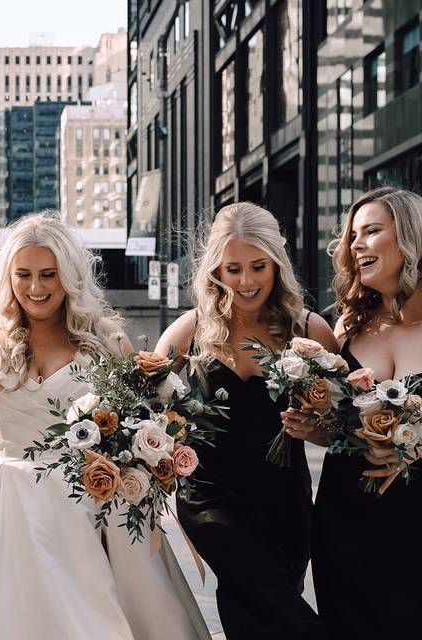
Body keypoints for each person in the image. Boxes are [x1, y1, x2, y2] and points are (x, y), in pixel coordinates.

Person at [0, 212, 208, 640]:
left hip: (89, 510)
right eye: (23, 275)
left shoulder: (105, 338)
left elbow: (142, 424)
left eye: (48, 275)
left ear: (69, 277)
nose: (36, 288)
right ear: (7, 276)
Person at [156, 203, 334, 639]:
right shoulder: (189, 330)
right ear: (215, 269)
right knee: (284, 611)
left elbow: (342, 429)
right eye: (233, 268)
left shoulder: (310, 331)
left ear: (277, 263)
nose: (247, 281)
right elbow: (143, 410)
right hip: (210, 502)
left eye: (258, 266)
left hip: (285, 501)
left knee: (251, 617)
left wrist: (313, 427)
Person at [296, 187, 422, 638]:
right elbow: (339, 430)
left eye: (371, 232)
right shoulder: (348, 324)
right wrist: (312, 427)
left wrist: (412, 451)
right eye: (353, 236)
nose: (356, 245)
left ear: (408, 238)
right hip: (344, 517)